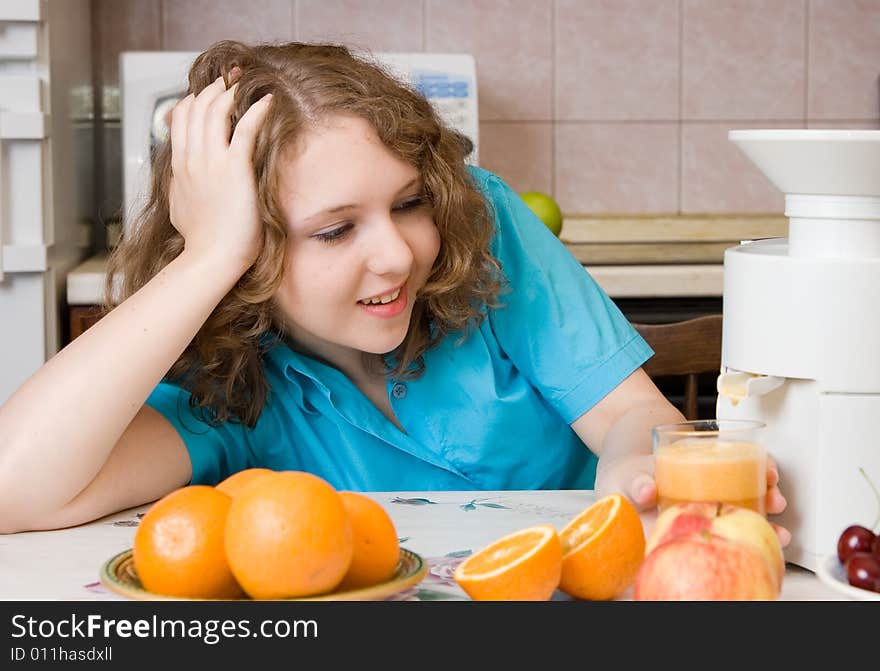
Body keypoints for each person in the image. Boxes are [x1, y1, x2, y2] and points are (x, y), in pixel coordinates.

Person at [0, 40, 788, 541]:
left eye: (409, 203)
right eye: (335, 230)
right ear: (248, 259)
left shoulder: (485, 224)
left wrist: (636, 474)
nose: (397, 255)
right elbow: (14, 489)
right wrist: (206, 259)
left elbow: (632, 417)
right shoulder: (228, 380)